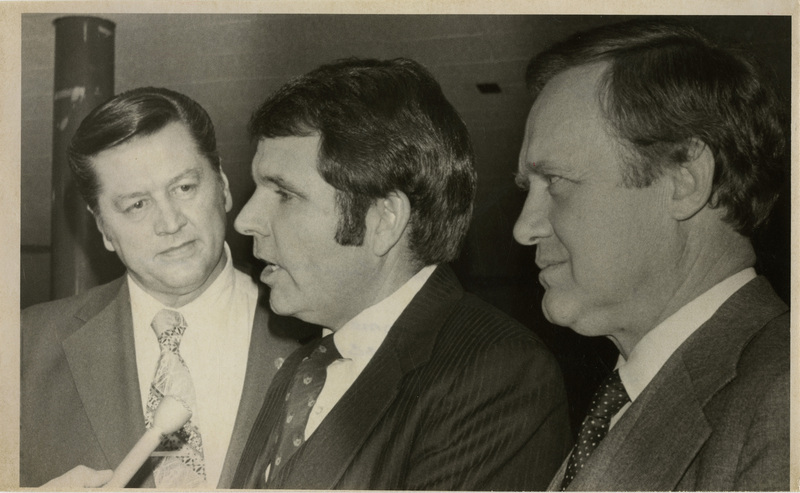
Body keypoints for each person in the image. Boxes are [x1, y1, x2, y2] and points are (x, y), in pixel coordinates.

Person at [230, 57, 571, 490]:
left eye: (284, 194)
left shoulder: (496, 376)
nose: (245, 219)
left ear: (384, 220)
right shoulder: (302, 369)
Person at [512, 20, 789, 491]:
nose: (523, 228)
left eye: (555, 181)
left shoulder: (784, 398)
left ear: (685, 181)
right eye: (527, 188)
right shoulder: (623, 402)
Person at [20, 87, 300, 489]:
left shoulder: (313, 330)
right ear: (103, 228)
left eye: (184, 188)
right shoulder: (24, 347)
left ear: (221, 185)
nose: (169, 223)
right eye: (137, 205)